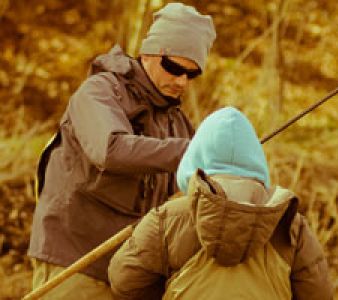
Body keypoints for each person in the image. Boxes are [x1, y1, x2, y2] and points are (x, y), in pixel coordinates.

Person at [27, 3, 216, 298]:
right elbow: (110, 149)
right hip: (73, 264)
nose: (181, 81)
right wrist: (190, 151)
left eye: (191, 75)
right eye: (174, 68)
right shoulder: (100, 91)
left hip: (130, 274)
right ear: (149, 53)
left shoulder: (178, 124)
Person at [108, 107, 333, 299]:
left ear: (194, 162)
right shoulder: (290, 224)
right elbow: (318, 293)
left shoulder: (167, 219)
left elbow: (124, 281)